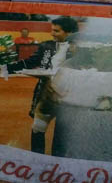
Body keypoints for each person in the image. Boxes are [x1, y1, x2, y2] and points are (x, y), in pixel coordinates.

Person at [7, 16, 79, 155]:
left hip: (69, 97)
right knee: (37, 127)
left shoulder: (80, 50)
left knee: (61, 135)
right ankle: (37, 160)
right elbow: (31, 62)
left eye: (56, 31)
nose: (52, 34)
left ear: (69, 33)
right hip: (47, 93)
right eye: (52, 30)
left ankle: (56, 167)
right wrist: (8, 67)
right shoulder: (47, 45)